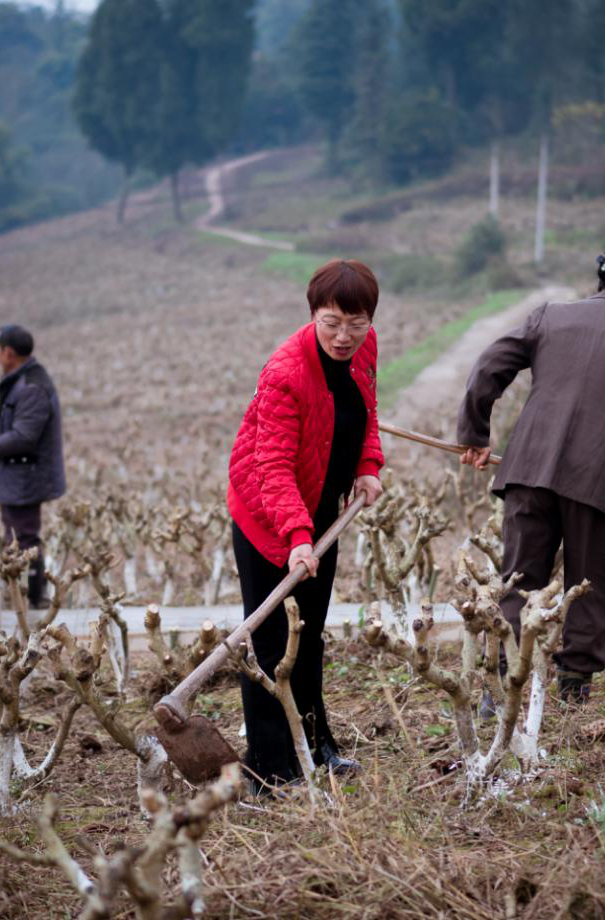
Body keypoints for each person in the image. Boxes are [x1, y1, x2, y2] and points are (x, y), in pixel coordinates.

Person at [457, 250, 605, 703]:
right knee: (590, 585)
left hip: (529, 469)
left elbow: (488, 366)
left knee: (518, 579)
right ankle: (574, 691)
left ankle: (501, 691)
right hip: (600, 482)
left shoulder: (550, 316)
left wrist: (475, 433)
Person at [227, 258, 385, 791]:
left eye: (355, 323)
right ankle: (271, 769)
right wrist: (296, 538)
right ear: (313, 315)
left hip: (322, 510)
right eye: (331, 322)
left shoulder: (366, 349)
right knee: (272, 643)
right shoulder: (284, 374)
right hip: (268, 515)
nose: (344, 336)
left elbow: (366, 412)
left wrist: (367, 467)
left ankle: (317, 748)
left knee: (309, 635)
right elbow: (270, 468)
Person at [0, 324, 65, 608]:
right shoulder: (23, 381)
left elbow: (23, 438)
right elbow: (10, 427)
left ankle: (33, 600)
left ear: (9, 353)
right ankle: (25, 597)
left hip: (27, 476)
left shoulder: (31, 387)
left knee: (24, 538)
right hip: (20, 475)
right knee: (19, 536)